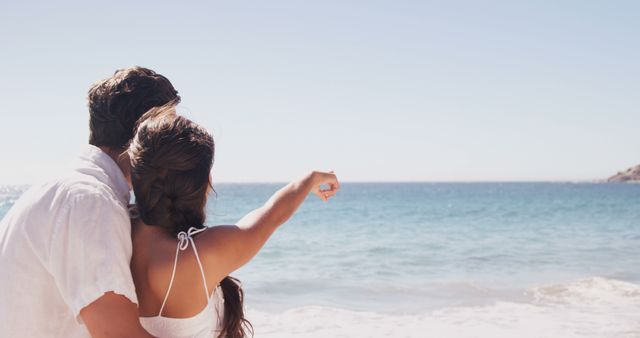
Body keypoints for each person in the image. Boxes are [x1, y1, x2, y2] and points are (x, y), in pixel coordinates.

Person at [128, 105, 339, 338]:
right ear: (205, 181)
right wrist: (310, 179)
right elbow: (272, 215)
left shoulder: (118, 230)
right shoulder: (202, 253)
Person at [0, 66, 179, 337]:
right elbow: (118, 334)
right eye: (169, 133)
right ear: (148, 133)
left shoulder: (66, 188)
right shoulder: (90, 202)